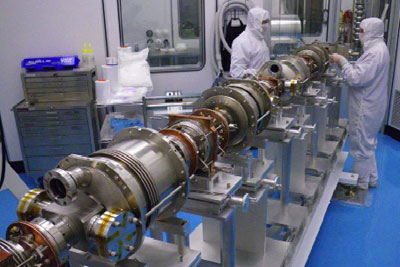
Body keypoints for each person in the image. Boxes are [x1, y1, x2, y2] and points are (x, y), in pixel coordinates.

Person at [331, 18, 390, 190]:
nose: (359, 34)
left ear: (371, 32)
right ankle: (371, 178)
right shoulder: (380, 48)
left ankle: (359, 184)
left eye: (362, 31)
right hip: (375, 103)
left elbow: (356, 78)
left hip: (366, 106)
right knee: (369, 143)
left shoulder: (374, 53)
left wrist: (342, 61)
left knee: (361, 146)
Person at [230, 7, 270, 78]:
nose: (266, 25)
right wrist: (258, 73)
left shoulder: (260, 39)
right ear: (255, 22)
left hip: (262, 84)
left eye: (267, 22)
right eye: (264, 22)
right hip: (249, 86)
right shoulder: (241, 42)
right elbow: (236, 72)